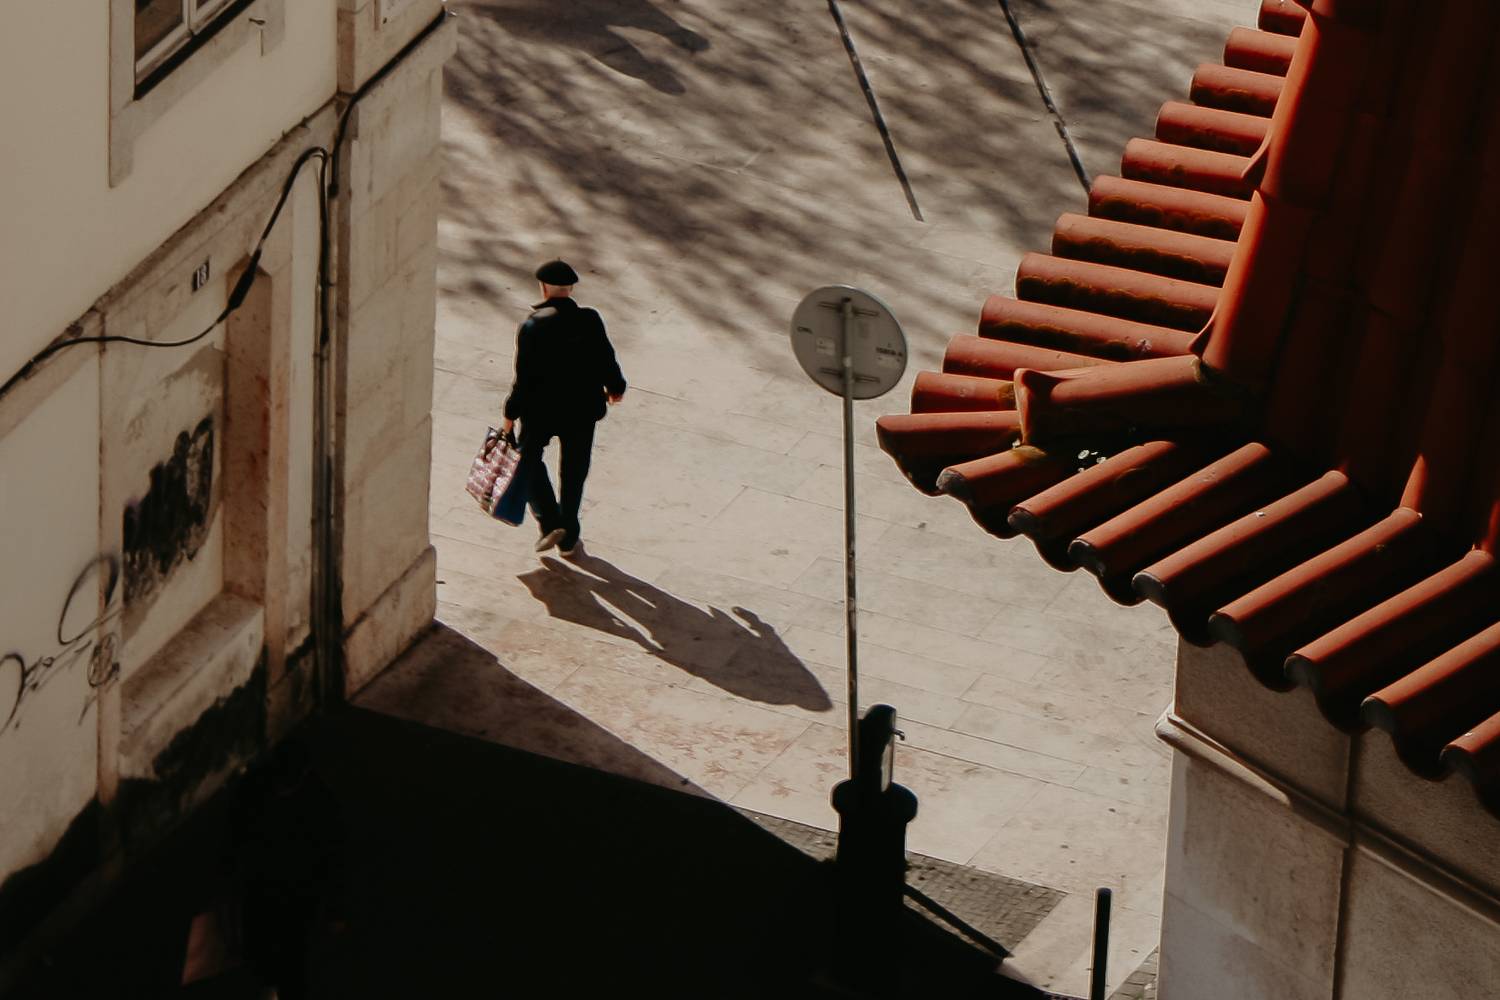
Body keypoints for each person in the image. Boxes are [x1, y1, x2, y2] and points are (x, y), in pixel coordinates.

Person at [501, 259, 626, 556]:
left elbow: (524, 377)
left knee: (527, 461)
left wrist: (510, 413)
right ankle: (568, 535)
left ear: (544, 288)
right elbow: (605, 357)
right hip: (582, 409)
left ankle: (549, 520)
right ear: (570, 289)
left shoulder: (532, 325)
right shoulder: (590, 319)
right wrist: (616, 387)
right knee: (574, 472)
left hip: (540, 411)